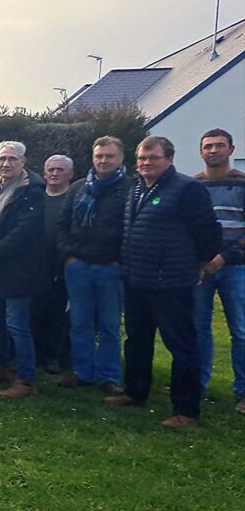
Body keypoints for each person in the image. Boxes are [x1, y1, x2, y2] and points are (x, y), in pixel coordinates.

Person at [106, 136, 221, 428]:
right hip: (136, 278)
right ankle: (135, 393)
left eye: (153, 158)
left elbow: (208, 232)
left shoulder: (187, 189)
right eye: (142, 158)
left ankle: (186, 409)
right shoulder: (136, 188)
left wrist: (198, 264)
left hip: (171, 282)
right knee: (137, 339)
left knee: (181, 345)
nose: (146, 163)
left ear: (169, 159)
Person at [0, 141, 46, 399]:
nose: (6, 163)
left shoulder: (32, 191)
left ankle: (26, 380)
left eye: (12, 159)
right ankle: (1, 368)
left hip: (17, 270)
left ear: (23, 162)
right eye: (2, 158)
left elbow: (23, 233)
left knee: (17, 325)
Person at [56, 137, 130, 394]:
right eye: (99, 156)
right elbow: (63, 225)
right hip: (78, 267)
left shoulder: (130, 189)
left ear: (121, 158)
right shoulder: (78, 188)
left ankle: (109, 376)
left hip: (111, 268)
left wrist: (121, 261)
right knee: (80, 323)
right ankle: (83, 372)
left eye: (109, 156)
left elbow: (131, 229)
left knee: (110, 325)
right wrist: (68, 256)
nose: (103, 160)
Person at [193, 128, 245, 413]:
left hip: (237, 267)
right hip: (201, 268)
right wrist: (201, 259)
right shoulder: (193, 186)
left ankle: (243, 390)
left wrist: (224, 257)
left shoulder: (242, 183)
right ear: (201, 152)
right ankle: (198, 384)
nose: (213, 150)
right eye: (208, 146)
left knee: (241, 330)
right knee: (198, 328)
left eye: (219, 145)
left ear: (231, 150)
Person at [32, 154, 75, 374]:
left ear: (70, 174)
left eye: (60, 170)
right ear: (44, 173)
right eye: (51, 170)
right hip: (36, 265)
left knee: (58, 313)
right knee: (36, 311)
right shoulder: (36, 199)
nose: (55, 174)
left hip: (62, 265)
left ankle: (54, 356)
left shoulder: (74, 199)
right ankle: (37, 353)